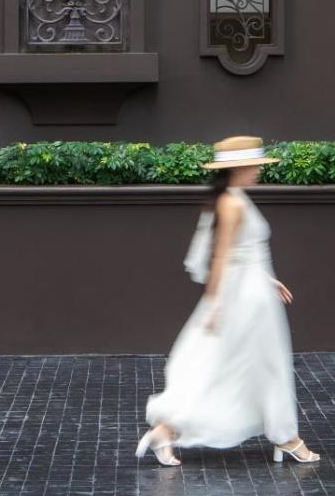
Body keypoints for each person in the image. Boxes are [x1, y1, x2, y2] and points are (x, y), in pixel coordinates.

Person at [136, 135, 320, 467]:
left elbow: (242, 252)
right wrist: (215, 304)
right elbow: (221, 256)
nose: (258, 171)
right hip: (245, 299)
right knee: (244, 366)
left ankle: (282, 436)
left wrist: (267, 279)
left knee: (250, 366)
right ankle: (284, 437)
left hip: (254, 292)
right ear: (239, 168)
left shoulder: (235, 198)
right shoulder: (231, 204)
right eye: (254, 166)